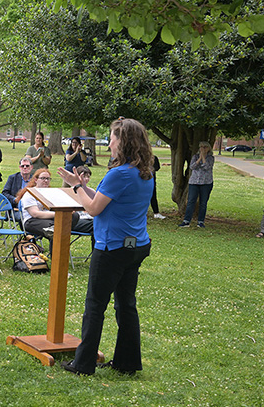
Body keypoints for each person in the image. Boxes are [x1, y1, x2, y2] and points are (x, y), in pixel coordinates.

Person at [57, 117, 154, 376]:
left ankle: (83, 364)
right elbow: (104, 202)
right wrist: (81, 186)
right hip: (136, 247)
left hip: (112, 248)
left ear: (123, 142)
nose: (109, 142)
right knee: (126, 305)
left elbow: (93, 209)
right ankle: (127, 362)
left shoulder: (118, 173)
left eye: (112, 137)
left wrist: (77, 188)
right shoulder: (143, 172)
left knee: (95, 306)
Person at [179, 141, 214, 228]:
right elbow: (192, 167)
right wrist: (199, 159)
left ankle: (200, 221)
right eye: (201, 147)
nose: (202, 149)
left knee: (203, 202)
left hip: (206, 183)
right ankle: (186, 221)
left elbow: (207, 167)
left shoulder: (211, 158)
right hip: (194, 182)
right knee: (191, 201)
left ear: (208, 149)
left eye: (205, 147)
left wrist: (203, 158)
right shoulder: (195, 157)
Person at [150, 155, 165, 219]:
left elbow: (157, 168)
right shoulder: (138, 158)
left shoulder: (153, 158)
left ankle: (156, 212)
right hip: (145, 180)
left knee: (153, 196)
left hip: (151, 180)